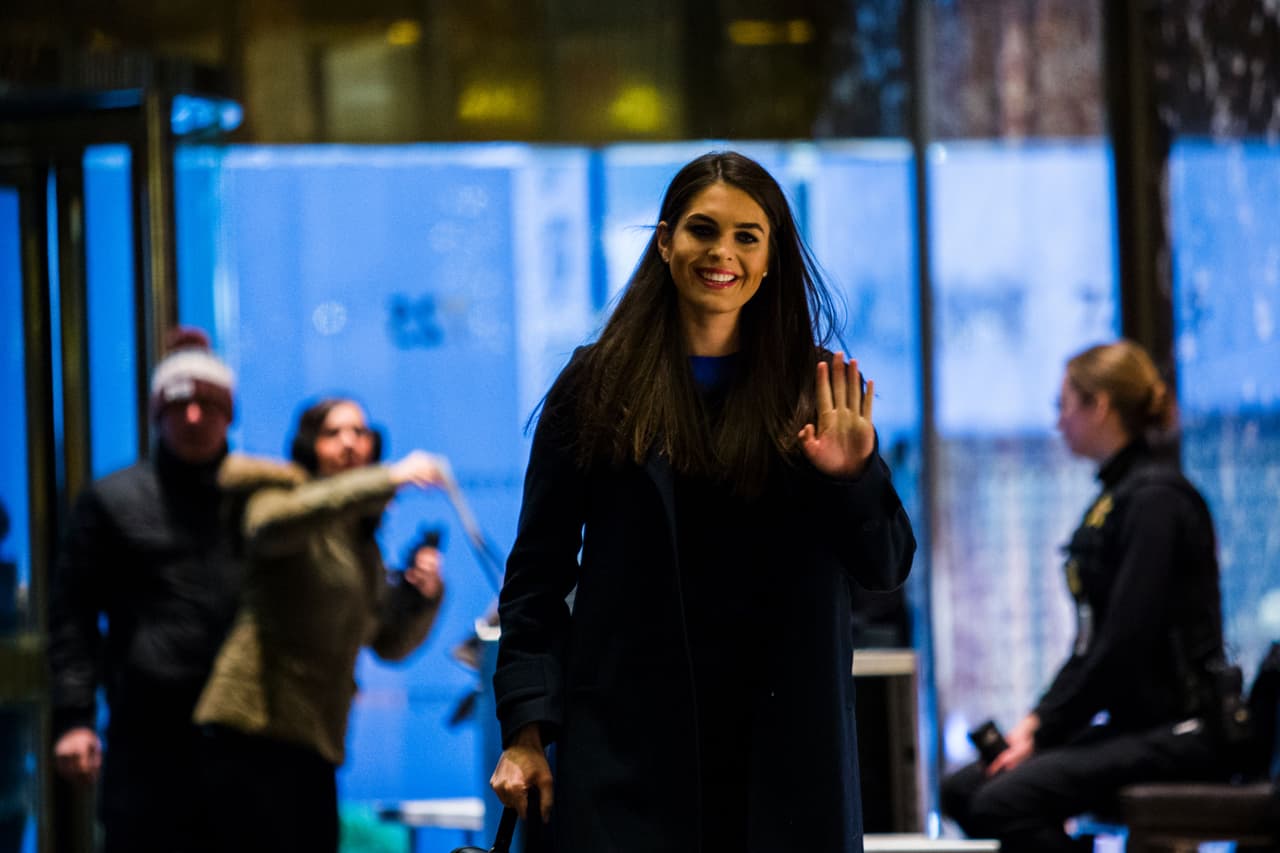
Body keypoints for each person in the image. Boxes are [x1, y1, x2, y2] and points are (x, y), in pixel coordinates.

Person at [488, 150, 917, 853]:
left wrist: (853, 474)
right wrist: (526, 730)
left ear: (773, 255)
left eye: (748, 235)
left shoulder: (813, 391)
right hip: (627, 754)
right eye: (702, 230)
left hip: (784, 759)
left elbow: (885, 567)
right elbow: (535, 580)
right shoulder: (595, 386)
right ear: (665, 241)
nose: (723, 253)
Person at [940, 339, 1228, 852]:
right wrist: (1036, 723)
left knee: (998, 800)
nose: (1057, 422)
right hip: (1137, 728)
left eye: (1064, 406)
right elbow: (1092, 648)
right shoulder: (1118, 500)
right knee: (963, 789)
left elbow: (1122, 646)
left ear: (1100, 406)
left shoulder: (1156, 501)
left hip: (1186, 731)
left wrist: (1046, 727)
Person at [193, 397, 448, 853]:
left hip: (312, 740)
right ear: (310, 445)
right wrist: (386, 479)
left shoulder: (359, 543)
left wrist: (423, 599)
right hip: (252, 731)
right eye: (334, 433)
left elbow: (387, 644)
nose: (350, 442)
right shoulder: (277, 495)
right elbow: (273, 526)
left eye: (359, 432)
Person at [47, 327, 267, 853]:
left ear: (228, 414)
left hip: (251, 734)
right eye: (179, 405)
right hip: (146, 736)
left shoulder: (262, 498)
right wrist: (75, 719)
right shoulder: (112, 500)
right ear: (156, 414)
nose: (193, 417)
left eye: (207, 406)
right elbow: (71, 616)